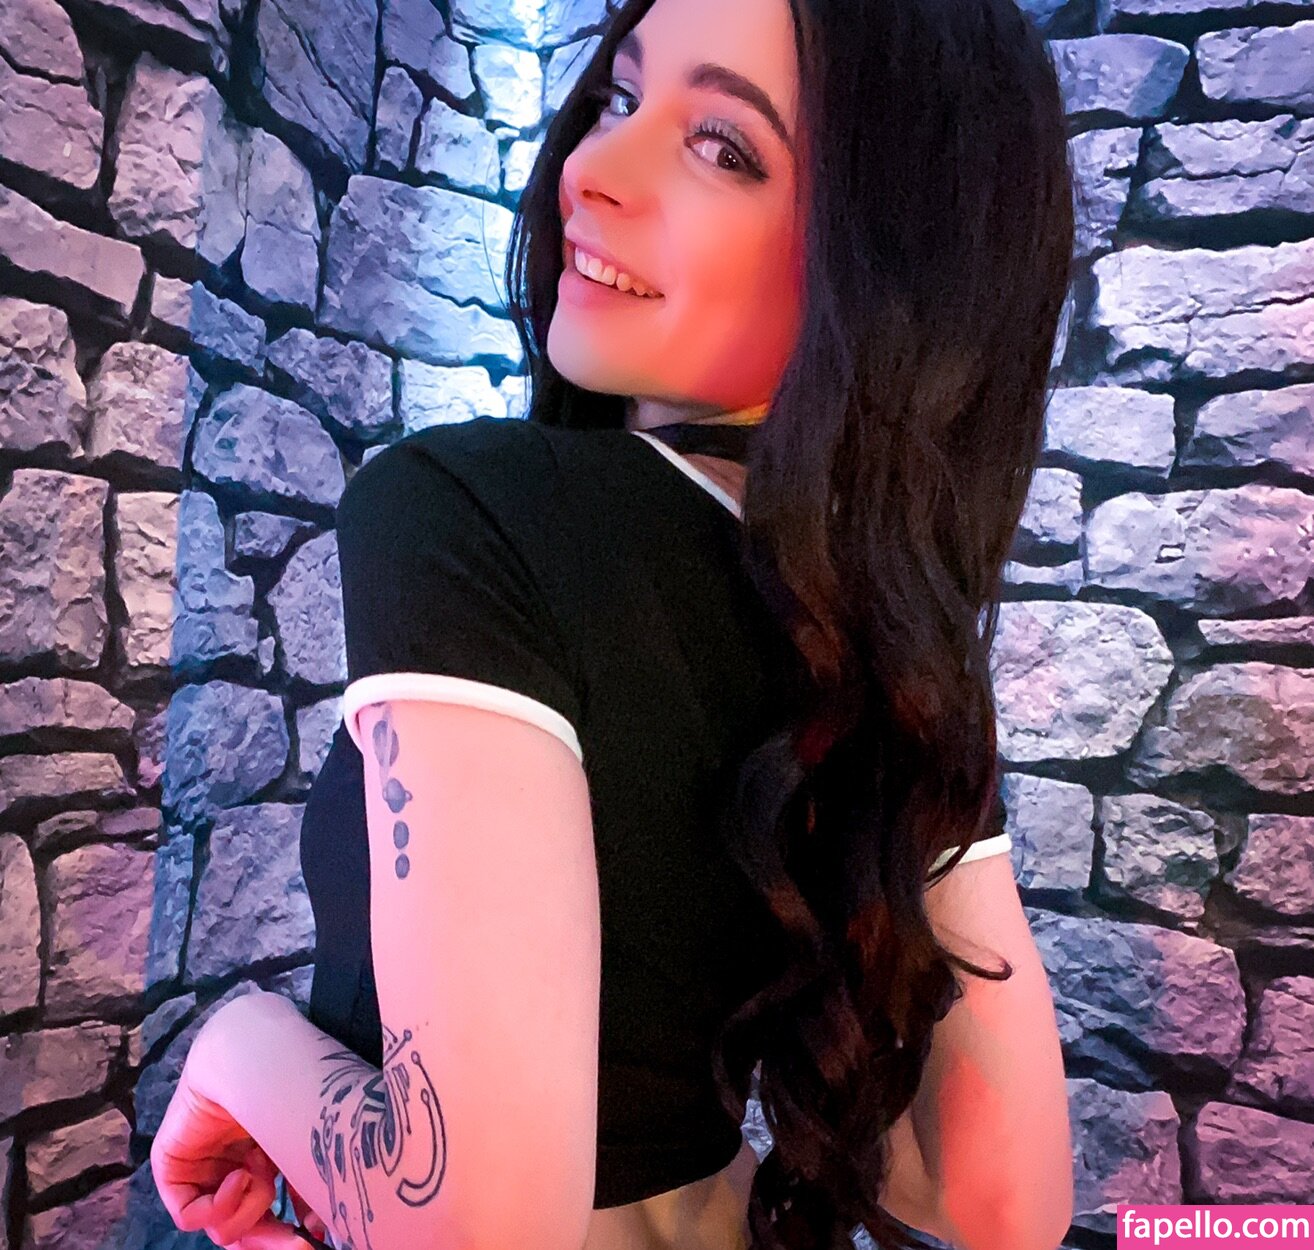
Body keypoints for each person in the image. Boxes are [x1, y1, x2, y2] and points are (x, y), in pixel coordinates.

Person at [150, 0, 1077, 1247]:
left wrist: (235, 1044)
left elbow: (466, 1223)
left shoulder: (468, 512)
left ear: (889, 270)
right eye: (622, 99)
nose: (591, 167)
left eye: (724, 147)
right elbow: (1002, 1197)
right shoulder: (888, 642)